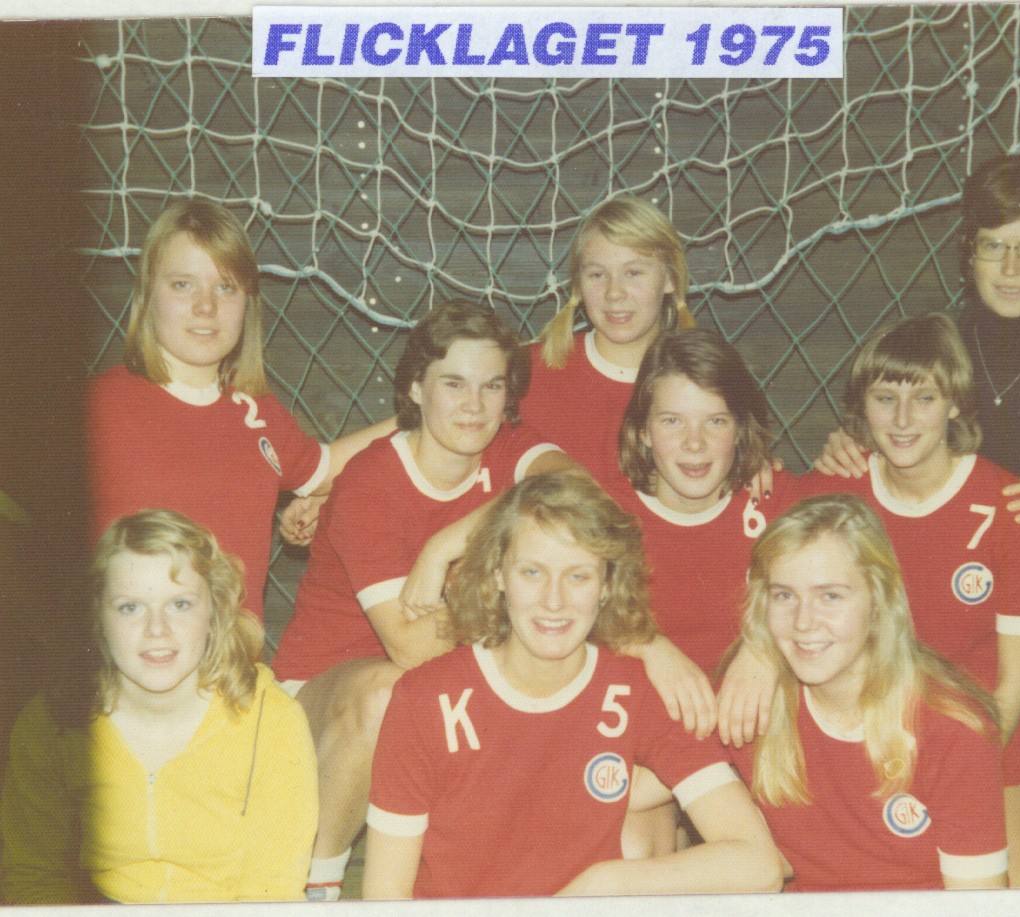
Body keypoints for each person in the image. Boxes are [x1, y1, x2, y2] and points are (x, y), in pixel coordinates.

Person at [815, 153, 1020, 884]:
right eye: (992, 246)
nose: (1009, 267)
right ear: (967, 255)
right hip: (924, 623)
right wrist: (849, 446)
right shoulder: (928, 345)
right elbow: (879, 430)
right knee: (901, 811)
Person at [270, 300, 580, 899]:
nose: (474, 406)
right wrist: (514, 628)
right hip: (323, 699)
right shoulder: (370, 480)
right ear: (415, 388)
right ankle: (315, 882)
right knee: (391, 692)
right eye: (454, 384)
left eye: (492, 386)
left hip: (452, 675)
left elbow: (574, 486)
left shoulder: (509, 448)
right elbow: (412, 648)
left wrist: (448, 544)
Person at [362, 473, 784, 899]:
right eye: (532, 572)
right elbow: (384, 894)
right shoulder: (425, 698)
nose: (554, 600)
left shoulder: (636, 691)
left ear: (607, 585)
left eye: (578, 576)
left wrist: (606, 883)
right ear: (497, 574)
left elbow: (759, 864)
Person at [804, 312, 1020, 885]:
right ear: (861, 408)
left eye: (923, 398)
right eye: (884, 398)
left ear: (955, 404)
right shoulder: (831, 494)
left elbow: (1013, 689)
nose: (901, 419)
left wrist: (952, 770)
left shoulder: (1012, 508)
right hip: (859, 743)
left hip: (987, 744)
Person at [87, 199, 397, 620]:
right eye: (183, 284)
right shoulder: (97, 406)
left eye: (226, 287)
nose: (206, 306)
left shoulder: (255, 409)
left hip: (236, 657)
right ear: (147, 295)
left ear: (247, 303)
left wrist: (424, 416)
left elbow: (324, 467)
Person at [1, 509, 317, 904]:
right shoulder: (53, 722)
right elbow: (33, 879)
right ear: (96, 616)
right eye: (130, 607)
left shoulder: (271, 722)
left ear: (215, 611)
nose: (157, 630)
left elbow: (272, 893)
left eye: (180, 604)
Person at [728, 493, 1008, 890]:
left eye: (830, 596)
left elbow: (977, 906)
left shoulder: (951, 728)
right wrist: (652, 649)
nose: (804, 622)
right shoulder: (751, 702)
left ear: (878, 602)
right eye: (784, 596)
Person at [611, 329, 804, 734]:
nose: (694, 443)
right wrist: (649, 646)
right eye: (672, 421)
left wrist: (765, 646)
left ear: (740, 428)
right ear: (643, 431)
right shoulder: (607, 516)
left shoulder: (778, 503)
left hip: (762, 736)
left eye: (715, 421)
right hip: (649, 736)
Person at [519, 194, 694, 486]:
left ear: (670, 279)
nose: (614, 293)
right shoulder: (529, 370)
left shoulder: (705, 379)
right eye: (597, 275)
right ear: (578, 285)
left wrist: (757, 465)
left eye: (633, 273)